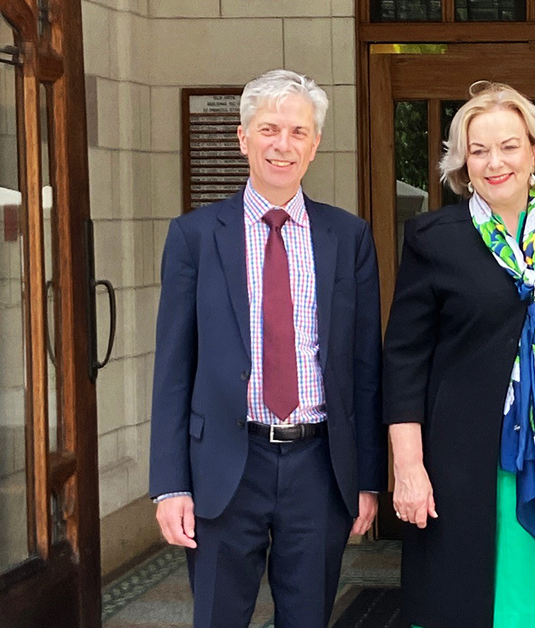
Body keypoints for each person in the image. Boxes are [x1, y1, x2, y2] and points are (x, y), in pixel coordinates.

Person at [383, 81, 535, 628]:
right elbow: (403, 360)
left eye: (509, 146)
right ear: (462, 161)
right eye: (478, 150)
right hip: (467, 463)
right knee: (477, 603)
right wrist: (408, 466)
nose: (495, 162)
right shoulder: (433, 238)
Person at [148, 69, 383, 628]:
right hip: (224, 466)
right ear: (243, 137)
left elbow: (364, 368)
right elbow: (173, 369)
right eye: (270, 129)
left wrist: (367, 478)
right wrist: (170, 484)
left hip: (319, 467)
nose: (283, 145)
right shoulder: (196, 236)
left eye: (298, 132)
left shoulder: (348, 237)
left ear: (315, 143)